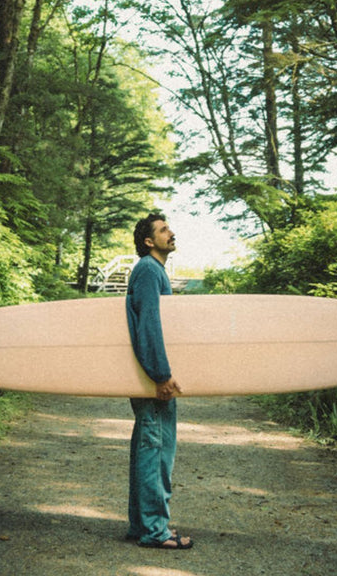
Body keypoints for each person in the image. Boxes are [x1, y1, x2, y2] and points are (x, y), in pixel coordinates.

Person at [124, 213, 194, 550]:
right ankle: (155, 531)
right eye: (163, 230)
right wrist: (162, 375)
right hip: (154, 378)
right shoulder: (149, 271)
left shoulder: (152, 271)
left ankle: (142, 525)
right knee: (156, 451)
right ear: (149, 241)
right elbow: (149, 325)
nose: (171, 232)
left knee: (147, 448)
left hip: (149, 374)